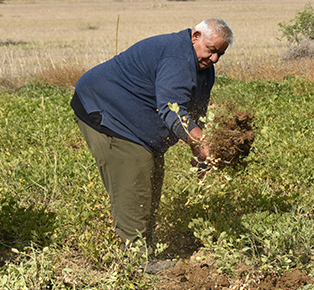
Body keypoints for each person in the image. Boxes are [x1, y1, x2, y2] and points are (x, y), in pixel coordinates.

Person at [71, 18, 233, 273]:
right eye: (211, 50)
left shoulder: (204, 69)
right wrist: (199, 142)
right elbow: (173, 107)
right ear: (195, 36)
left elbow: (194, 111)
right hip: (108, 112)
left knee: (150, 177)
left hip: (135, 122)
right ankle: (136, 264)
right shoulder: (177, 58)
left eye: (220, 54)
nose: (214, 59)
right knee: (135, 181)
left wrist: (200, 150)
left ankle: (145, 254)